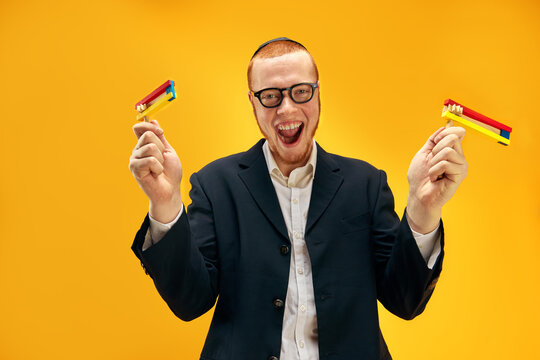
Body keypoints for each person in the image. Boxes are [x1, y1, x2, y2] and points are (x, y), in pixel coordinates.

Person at [129, 38, 467, 360]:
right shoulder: (216, 185)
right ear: (253, 103)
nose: (286, 108)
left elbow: (404, 299)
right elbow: (190, 301)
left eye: (301, 92)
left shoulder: (365, 184)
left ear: (318, 95)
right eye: (271, 96)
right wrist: (164, 202)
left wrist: (424, 208)